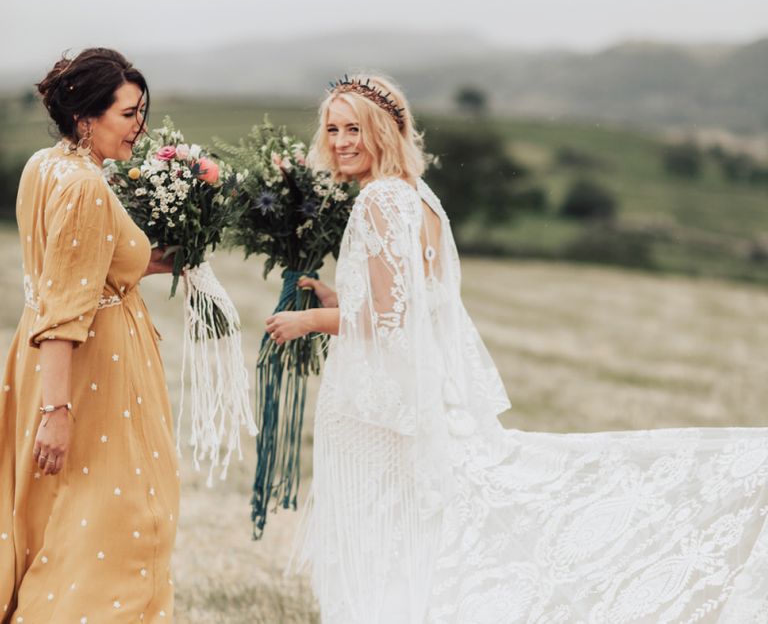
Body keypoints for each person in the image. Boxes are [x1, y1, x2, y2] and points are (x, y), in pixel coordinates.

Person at [265, 74, 768, 623]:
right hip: (417, 393)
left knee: (390, 528)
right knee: (423, 527)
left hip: (386, 406)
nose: (340, 141)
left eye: (354, 128)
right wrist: (344, 296)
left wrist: (313, 319)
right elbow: (412, 302)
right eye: (333, 128)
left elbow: (390, 319)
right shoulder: (418, 196)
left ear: (386, 129)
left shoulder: (380, 199)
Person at [0, 48, 180, 623]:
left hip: (41, 364)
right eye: (129, 114)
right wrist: (59, 409)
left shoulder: (43, 165)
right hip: (86, 377)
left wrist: (157, 261)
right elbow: (67, 306)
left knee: (53, 515)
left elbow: (76, 263)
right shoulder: (84, 186)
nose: (140, 127)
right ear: (86, 117)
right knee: (114, 522)